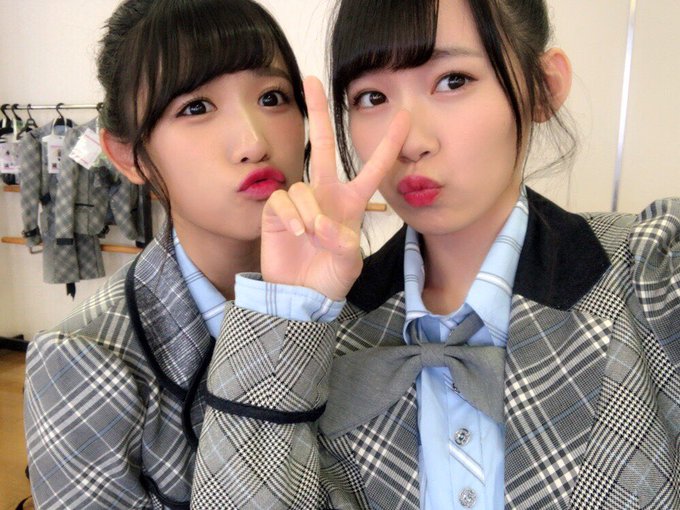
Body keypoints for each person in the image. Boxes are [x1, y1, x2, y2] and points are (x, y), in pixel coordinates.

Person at [191, 0, 680, 508]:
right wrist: (288, 310)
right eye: (372, 97)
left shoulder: (649, 272)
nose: (410, 143)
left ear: (543, 87)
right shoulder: (325, 330)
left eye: (452, 81)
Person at [23, 0, 310, 507]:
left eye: (272, 97)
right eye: (195, 108)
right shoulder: (86, 359)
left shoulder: (357, 300)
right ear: (129, 155)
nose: (253, 142)